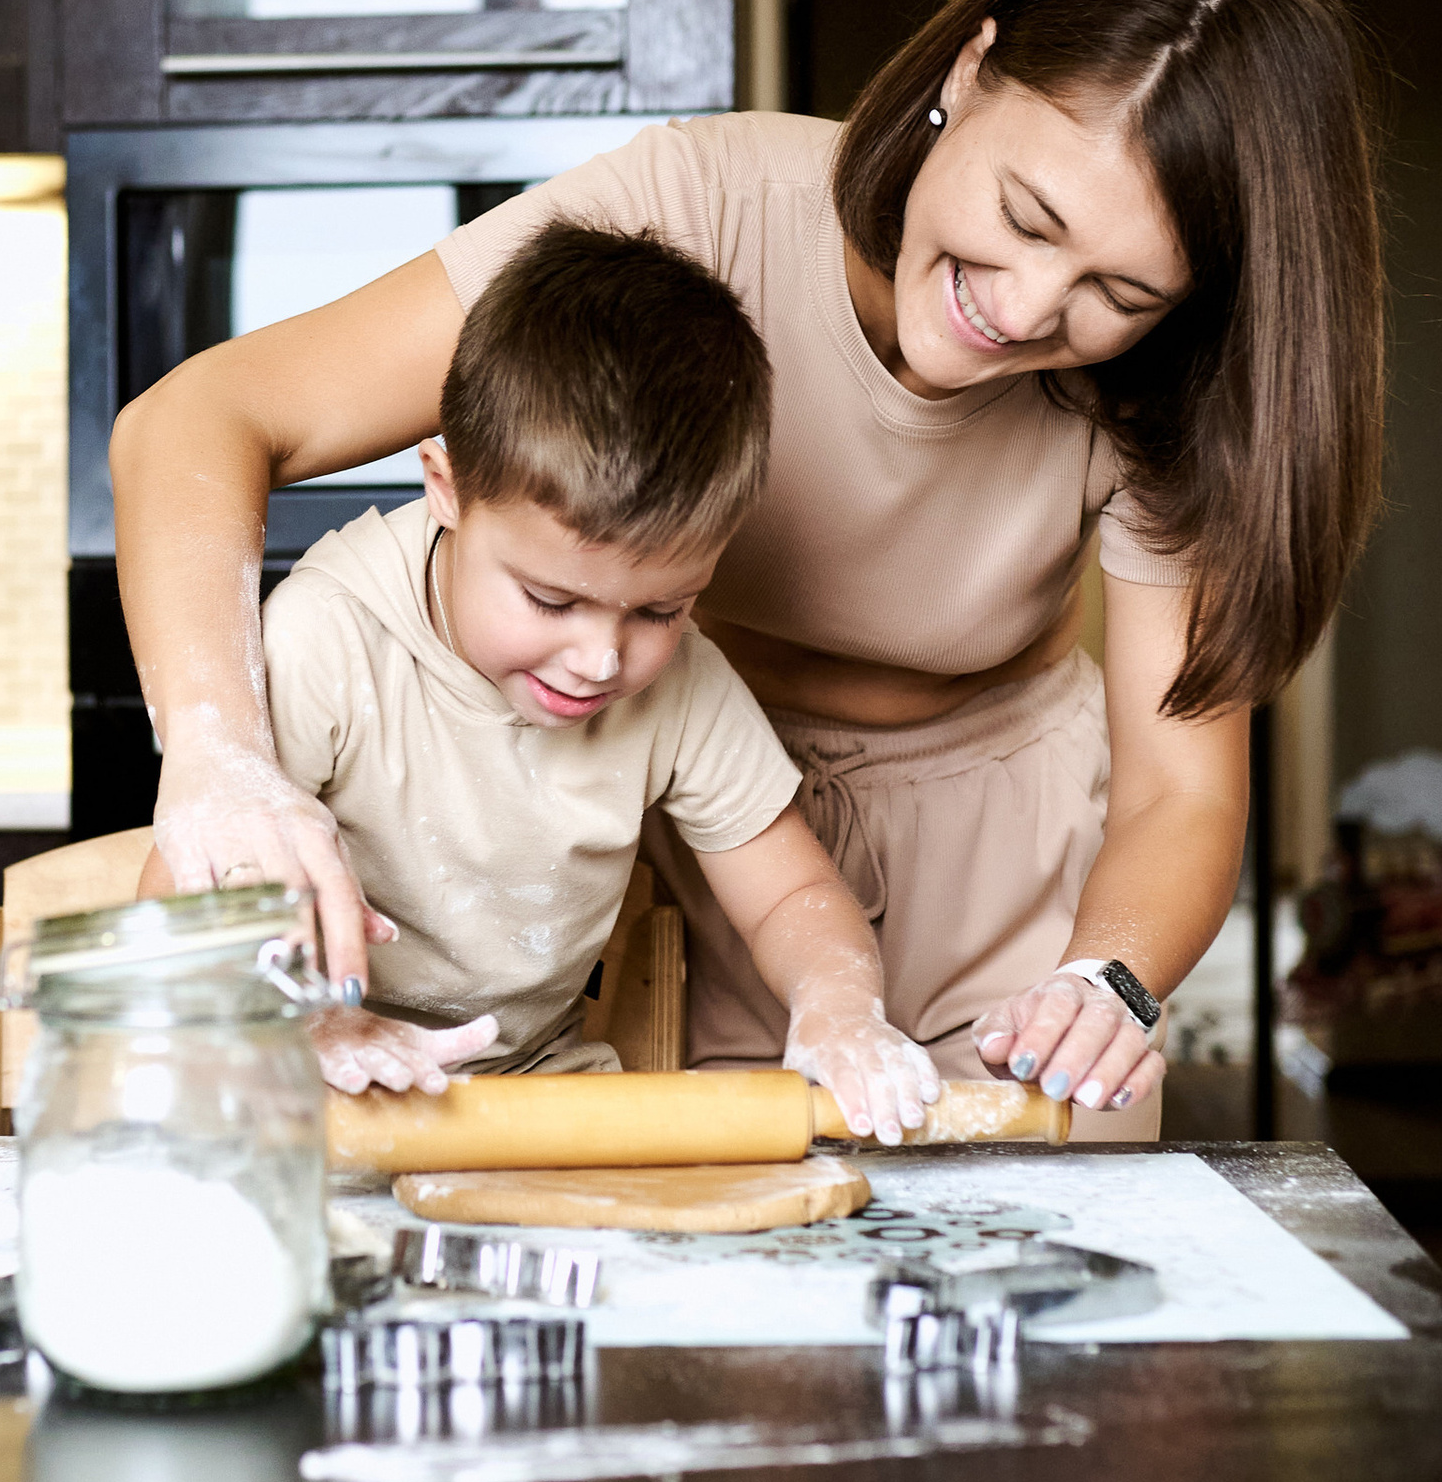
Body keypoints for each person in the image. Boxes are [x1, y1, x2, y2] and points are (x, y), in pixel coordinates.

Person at [111, 0, 1387, 1129]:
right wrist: (220, 754)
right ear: (970, 65)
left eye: (1117, 288)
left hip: (1018, 891)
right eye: (1024, 216)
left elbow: (1181, 794)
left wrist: (1102, 980)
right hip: (719, 857)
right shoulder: (699, 207)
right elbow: (202, 416)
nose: (1028, 304)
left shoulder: (1165, 390)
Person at [152, 221, 942, 1140]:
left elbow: (793, 896)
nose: (602, 660)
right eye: (550, 599)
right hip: (299, 1093)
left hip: (532, 1096)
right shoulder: (329, 639)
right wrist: (304, 1022)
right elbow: (173, 906)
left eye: (659, 610)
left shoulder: (680, 686)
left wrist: (840, 1010)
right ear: (445, 489)